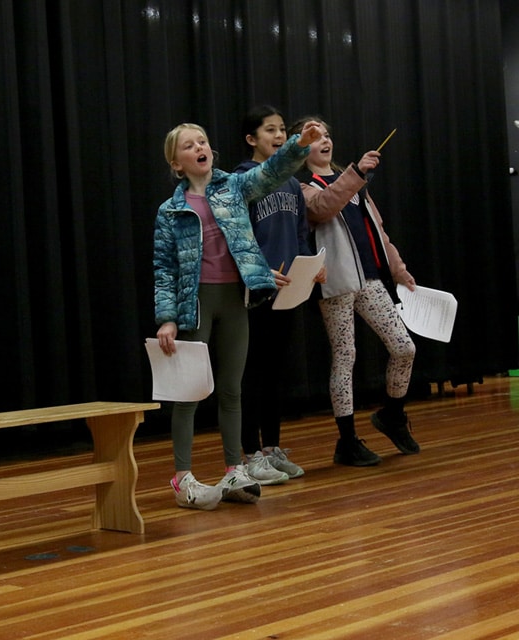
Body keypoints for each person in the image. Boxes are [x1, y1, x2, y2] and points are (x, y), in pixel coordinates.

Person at [154, 119, 322, 510]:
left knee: (232, 389)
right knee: (189, 393)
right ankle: (182, 478)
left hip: (234, 300)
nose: (200, 148)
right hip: (196, 304)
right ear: (176, 164)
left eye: (203, 141)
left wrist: (299, 143)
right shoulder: (170, 210)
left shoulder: (233, 187)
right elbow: (163, 268)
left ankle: (234, 470)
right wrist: (167, 318)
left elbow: (272, 171)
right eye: (189, 145)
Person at [287, 116, 419, 467]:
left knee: (404, 347)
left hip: (370, 279)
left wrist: (399, 269)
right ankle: (347, 441)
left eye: (327, 135)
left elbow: (378, 231)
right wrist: (357, 172)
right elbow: (323, 207)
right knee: (345, 356)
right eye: (315, 137)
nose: (325, 141)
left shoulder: (354, 182)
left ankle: (392, 415)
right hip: (336, 283)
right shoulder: (303, 187)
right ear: (301, 148)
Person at [235, 105, 327, 483]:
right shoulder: (242, 181)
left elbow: (301, 234)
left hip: (288, 293)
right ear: (251, 139)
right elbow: (236, 238)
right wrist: (258, 271)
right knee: (252, 373)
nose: (278, 136)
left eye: (281, 130)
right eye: (269, 130)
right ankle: (250, 452)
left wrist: (310, 264)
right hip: (256, 292)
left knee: (275, 372)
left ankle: (272, 448)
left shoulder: (291, 183)